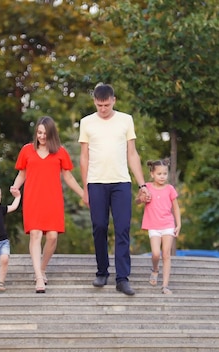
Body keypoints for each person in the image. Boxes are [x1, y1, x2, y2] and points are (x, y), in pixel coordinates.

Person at [78, 83, 150, 296]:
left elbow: (132, 154)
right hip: (96, 182)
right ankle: (102, 271)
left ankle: (122, 278)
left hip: (121, 182)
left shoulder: (126, 120)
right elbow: (84, 157)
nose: (103, 108)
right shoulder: (86, 122)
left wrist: (142, 184)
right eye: (99, 105)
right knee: (99, 226)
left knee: (122, 228)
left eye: (106, 105)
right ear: (95, 103)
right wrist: (85, 188)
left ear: (114, 100)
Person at [11, 116, 84, 294]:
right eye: (39, 132)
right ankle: (38, 277)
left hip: (53, 199)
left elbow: (68, 177)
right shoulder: (27, 150)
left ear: (52, 134)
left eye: (45, 133)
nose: (42, 136)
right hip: (32, 198)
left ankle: (42, 268)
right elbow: (22, 174)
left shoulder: (60, 151)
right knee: (35, 234)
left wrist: (84, 194)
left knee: (52, 237)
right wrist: (15, 187)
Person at [140, 159, 181, 294]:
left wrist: (178, 224)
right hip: (153, 225)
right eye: (159, 174)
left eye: (165, 173)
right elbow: (137, 200)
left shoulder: (170, 189)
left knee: (166, 254)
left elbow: (175, 208)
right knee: (156, 253)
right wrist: (142, 199)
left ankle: (165, 285)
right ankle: (155, 269)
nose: (162, 176)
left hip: (168, 224)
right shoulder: (147, 187)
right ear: (152, 174)